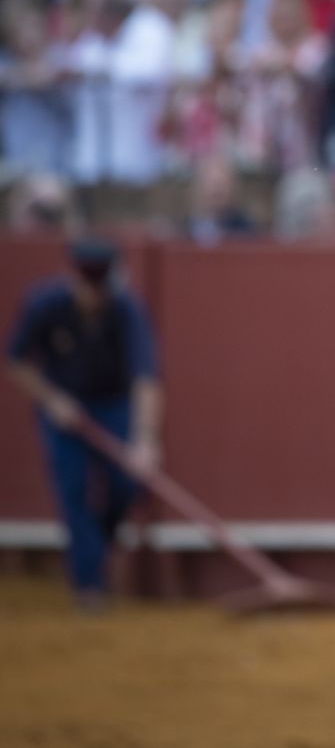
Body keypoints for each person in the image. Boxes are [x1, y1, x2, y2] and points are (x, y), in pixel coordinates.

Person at [6, 237, 163, 612]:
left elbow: (145, 378)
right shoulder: (45, 303)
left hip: (112, 405)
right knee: (73, 490)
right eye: (87, 286)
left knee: (127, 484)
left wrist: (144, 440)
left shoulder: (126, 309)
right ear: (72, 278)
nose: (93, 296)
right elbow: (16, 361)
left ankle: (97, 545)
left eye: (99, 287)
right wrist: (51, 399)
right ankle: (89, 584)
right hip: (63, 409)